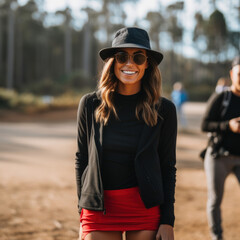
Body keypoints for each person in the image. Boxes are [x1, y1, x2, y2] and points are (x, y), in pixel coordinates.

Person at [75, 27, 177, 240]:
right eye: (122, 56)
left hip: (144, 208)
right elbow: (82, 160)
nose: (129, 64)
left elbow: (167, 167)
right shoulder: (90, 104)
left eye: (138, 57)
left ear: (147, 64)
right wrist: (82, 211)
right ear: (112, 62)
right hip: (98, 208)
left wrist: (167, 221)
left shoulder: (164, 109)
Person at [201, 55, 240, 240]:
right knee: (215, 200)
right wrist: (228, 125)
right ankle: (217, 237)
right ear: (232, 74)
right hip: (219, 157)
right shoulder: (221, 97)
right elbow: (205, 125)